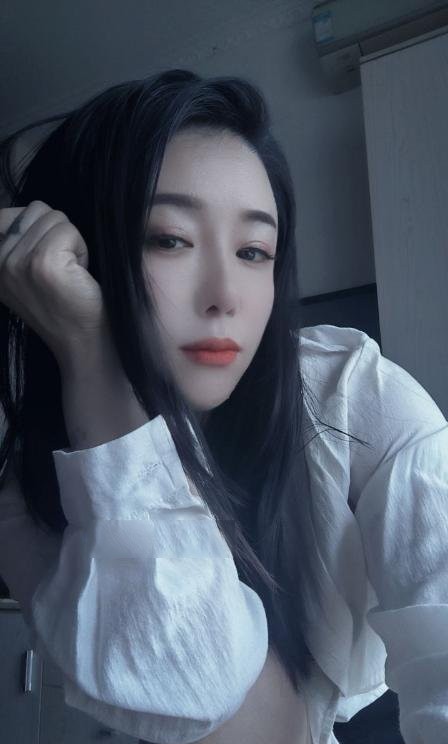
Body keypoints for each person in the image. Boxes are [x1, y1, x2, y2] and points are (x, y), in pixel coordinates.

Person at [0, 69, 446, 744]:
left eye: (253, 251)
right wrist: (92, 356)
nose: (226, 295)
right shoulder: (30, 500)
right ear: (74, 261)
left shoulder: (355, 397)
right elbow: (212, 702)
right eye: (169, 238)